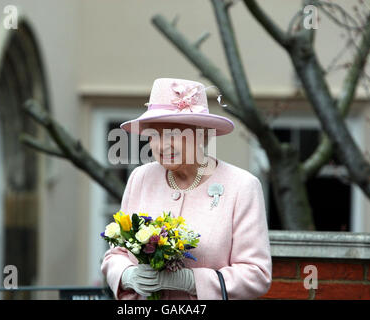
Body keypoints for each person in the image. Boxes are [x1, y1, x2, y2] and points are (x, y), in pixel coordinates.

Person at [101, 78, 272, 300]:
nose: (162, 146)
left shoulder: (241, 186)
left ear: (201, 134)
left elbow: (256, 274)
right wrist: (127, 275)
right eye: (154, 136)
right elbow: (116, 254)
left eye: (174, 134)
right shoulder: (141, 178)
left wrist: (192, 281)